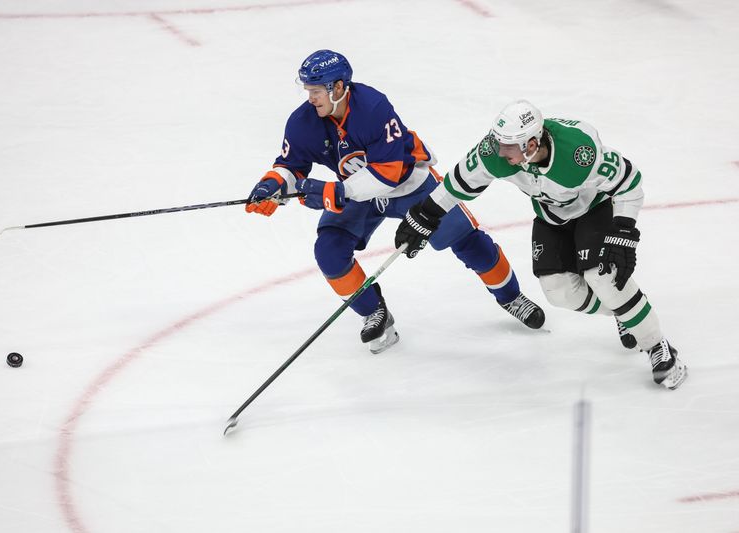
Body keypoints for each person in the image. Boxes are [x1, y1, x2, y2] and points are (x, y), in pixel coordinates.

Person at [245, 50, 545, 354]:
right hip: (357, 192)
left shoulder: (372, 107)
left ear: (338, 88)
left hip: (409, 184)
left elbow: (389, 172)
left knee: (469, 241)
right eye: (308, 91)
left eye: (317, 91)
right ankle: (374, 312)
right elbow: (291, 165)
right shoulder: (302, 122)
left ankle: (511, 296)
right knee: (329, 250)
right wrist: (274, 183)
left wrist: (338, 191)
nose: (311, 98)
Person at [394, 99, 687, 389]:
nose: (500, 151)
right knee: (559, 293)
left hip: (594, 209)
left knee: (603, 277)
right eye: (499, 142)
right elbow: (458, 183)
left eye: (508, 146)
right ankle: (624, 312)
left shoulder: (578, 153)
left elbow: (630, 183)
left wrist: (623, 231)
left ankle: (658, 347)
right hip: (551, 216)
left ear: (531, 145)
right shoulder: (495, 151)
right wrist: (424, 214)